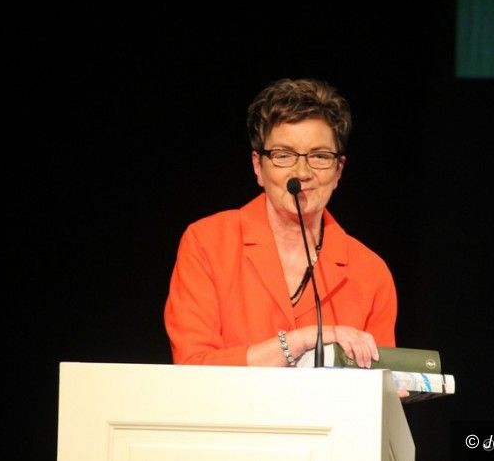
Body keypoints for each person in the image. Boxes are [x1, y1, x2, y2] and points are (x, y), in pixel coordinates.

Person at [164, 78, 397, 369]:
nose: (302, 172)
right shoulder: (207, 243)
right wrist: (301, 341)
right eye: (283, 156)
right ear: (257, 166)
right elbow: (193, 366)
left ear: (339, 170)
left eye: (320, 156)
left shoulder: (371, 272)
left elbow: (380, 383)